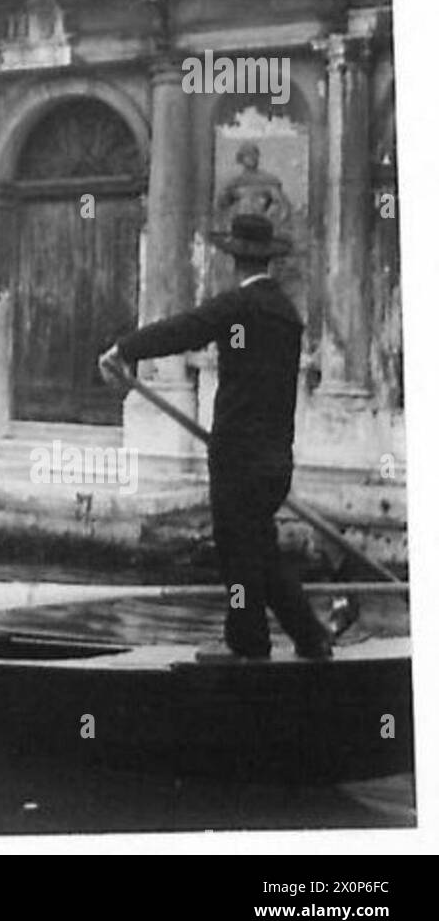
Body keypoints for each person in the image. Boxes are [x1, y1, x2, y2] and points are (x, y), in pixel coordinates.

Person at [98, 213, 333, 662]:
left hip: (237, 456)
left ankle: (246, 645)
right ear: (269, 261)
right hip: (276, 458)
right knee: (260, 549)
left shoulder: (237, 308)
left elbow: (183, 329)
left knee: (239, 555)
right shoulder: (287, 315)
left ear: (233, 261)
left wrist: (125, 348)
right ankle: (311, 636)